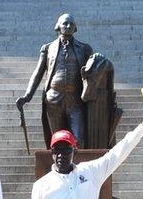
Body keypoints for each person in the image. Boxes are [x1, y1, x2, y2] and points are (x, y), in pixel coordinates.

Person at [16, 14, 94, 148]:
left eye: (71, 24)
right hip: (53, 99)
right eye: (65, 23)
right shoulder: (47, 48)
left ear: (75, 28)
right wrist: (27, 96)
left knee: (79, 141)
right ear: (58, 26)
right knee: (58, 141)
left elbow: (94, 73)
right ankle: (58, 168)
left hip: (75, 99)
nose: (68, 26)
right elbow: (38, 73)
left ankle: (78, 168)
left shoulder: (85, 49)